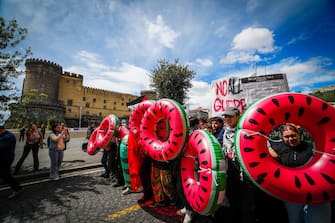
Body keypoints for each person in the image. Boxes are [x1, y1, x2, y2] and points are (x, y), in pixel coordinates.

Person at [269, 123, 331, 223]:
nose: (290, 139)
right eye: (287, 137)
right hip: (291, 191)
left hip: (313, 189)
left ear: (299, 134)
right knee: (295, 219)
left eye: (293, 135)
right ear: (282, 137)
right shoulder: (277, 147)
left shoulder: (310, 147)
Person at [214, 107, 257, 223]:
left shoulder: (245, 131)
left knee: (246, 207)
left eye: (230, 116)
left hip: (244, 176)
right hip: (230, 174)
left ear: (238, 116)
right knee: (232, 205)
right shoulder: (225, 132)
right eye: (225, 116)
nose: (227, 119)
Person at [0, 125, 23, 199]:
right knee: (5, 175)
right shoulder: (5, 135)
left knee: (6, 175)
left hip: (5, 159)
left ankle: (17, 189)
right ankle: (17, 188)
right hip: (5, 158)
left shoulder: (8, 137)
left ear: (1, 130)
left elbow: (1, 148)